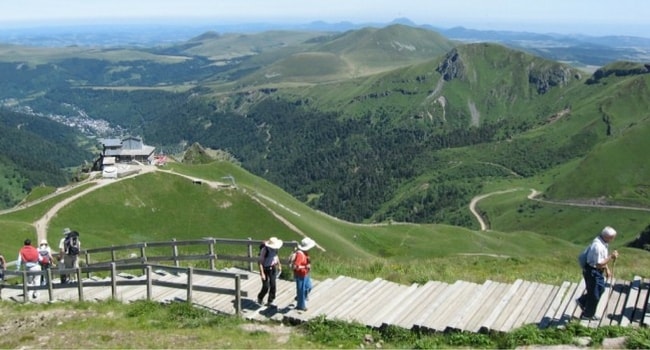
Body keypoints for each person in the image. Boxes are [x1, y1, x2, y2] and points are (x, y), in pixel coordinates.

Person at [577, 226, 619, 321]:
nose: (613, 239)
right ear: (608, 237)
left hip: (597, 271)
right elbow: (599, 263)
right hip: (592, 272)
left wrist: (607, 269)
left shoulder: (603, 242)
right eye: (613, 237)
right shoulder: (598, 247)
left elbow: (602, 258)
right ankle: (587, 315)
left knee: (601, 289)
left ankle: (582, 301)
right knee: (594, 295)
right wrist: (611, 257)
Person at [290, 237, 316, 311]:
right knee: (301, 289)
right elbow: (296, 266)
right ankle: (301, 306)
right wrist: (305, 266)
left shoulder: (304, 252)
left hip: (305, 273)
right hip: (300, 274)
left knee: (309, 287)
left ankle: (300, 298)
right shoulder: (300, 255)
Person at [257, 236, 283, 306]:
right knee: (266, 286)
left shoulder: (275, 249)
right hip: (265, 269)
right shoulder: (264, 250)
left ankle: (270, 301)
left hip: (272, 268)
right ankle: (260, 297)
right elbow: (260, 263)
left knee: (273, 285)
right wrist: (262, 273)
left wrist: (279, 265)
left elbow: (276, 257)